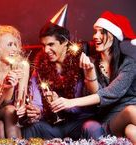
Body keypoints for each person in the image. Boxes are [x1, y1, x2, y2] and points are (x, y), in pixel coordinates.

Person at [53, 11, 136, 143]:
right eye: (95, 32)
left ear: (113, 36)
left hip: (131, 120)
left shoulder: (129, 63)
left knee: (132, 131)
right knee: (131, 111)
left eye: (101, 32)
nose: (95, 36)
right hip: (110, 121)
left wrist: (70, 102)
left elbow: (111, 93)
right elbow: (97, 96)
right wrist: (90, 72)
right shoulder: (90, 62)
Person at [21, 22, 97, 140]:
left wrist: (63, 104)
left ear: (65, 42)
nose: (46, 50)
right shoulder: (39, 68)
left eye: (51, 44)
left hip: (79, 121)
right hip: (52, 125)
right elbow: (37, 103)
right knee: (31, 128)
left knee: (92, 127)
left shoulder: (81, 63)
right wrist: (36, 112)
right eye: (43, 45)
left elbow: (87, 104)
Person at [0, 25, 30, 138]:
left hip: (12, 115)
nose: (14, 49)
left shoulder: (22, 66)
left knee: (0, 125)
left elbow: (21, 99)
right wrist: (7, 87)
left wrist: (22, 108)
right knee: (9, 110)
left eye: (15, 44)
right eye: (9, 44)